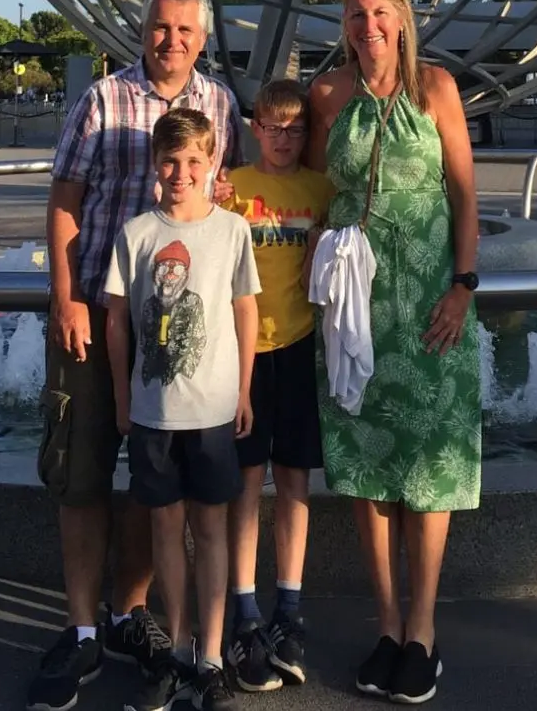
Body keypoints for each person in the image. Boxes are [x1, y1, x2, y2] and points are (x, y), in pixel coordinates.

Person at [28, 0, 242, 711]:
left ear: (202, 40)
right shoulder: (102, 100)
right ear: (142, 30)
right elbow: (64, 199)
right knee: (83, 476)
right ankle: (83, 631)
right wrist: (65, 299)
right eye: (160, 27)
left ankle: (127, 614)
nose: (171, 40)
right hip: (94, 315)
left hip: (177, 346)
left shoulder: (220, 106)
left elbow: (227, 201)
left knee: (160, 489)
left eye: (185, 30)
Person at [307, 0, 481, 705]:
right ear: (344, 26)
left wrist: (463, 287)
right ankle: (385, 627)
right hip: (356, 318)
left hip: (429, 317)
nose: (367, 24)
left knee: (428, 473)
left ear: (402, 20)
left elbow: (466, 195)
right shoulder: (326, 98)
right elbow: (313, 193)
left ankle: (422, 631)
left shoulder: (437, 89)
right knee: (366, 472)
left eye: (379, 11)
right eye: (355, 14)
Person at [105, 109, 261, 711]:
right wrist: (122, 396)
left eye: (194, 161)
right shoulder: (137, 233)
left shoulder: (231, 231)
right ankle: (178, 648)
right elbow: (118, 319)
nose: (182, 172)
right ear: (155, 164)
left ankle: (214, 657)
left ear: (212, 162)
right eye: (170, 161)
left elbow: (244, 309)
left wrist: (244, 390)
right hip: (152, 413)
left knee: (212, 528)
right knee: (165, 528)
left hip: (215, 411)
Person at [224, 80, 332, 692]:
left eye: (296, 130)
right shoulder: (233, 188)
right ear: (256, 129)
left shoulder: (321, 192)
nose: (285, 138)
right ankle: (245, 611)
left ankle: (288, 609)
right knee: (245, 484)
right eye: (274, 127)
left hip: (296, 351)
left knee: (293, 481)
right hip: (243, 358)